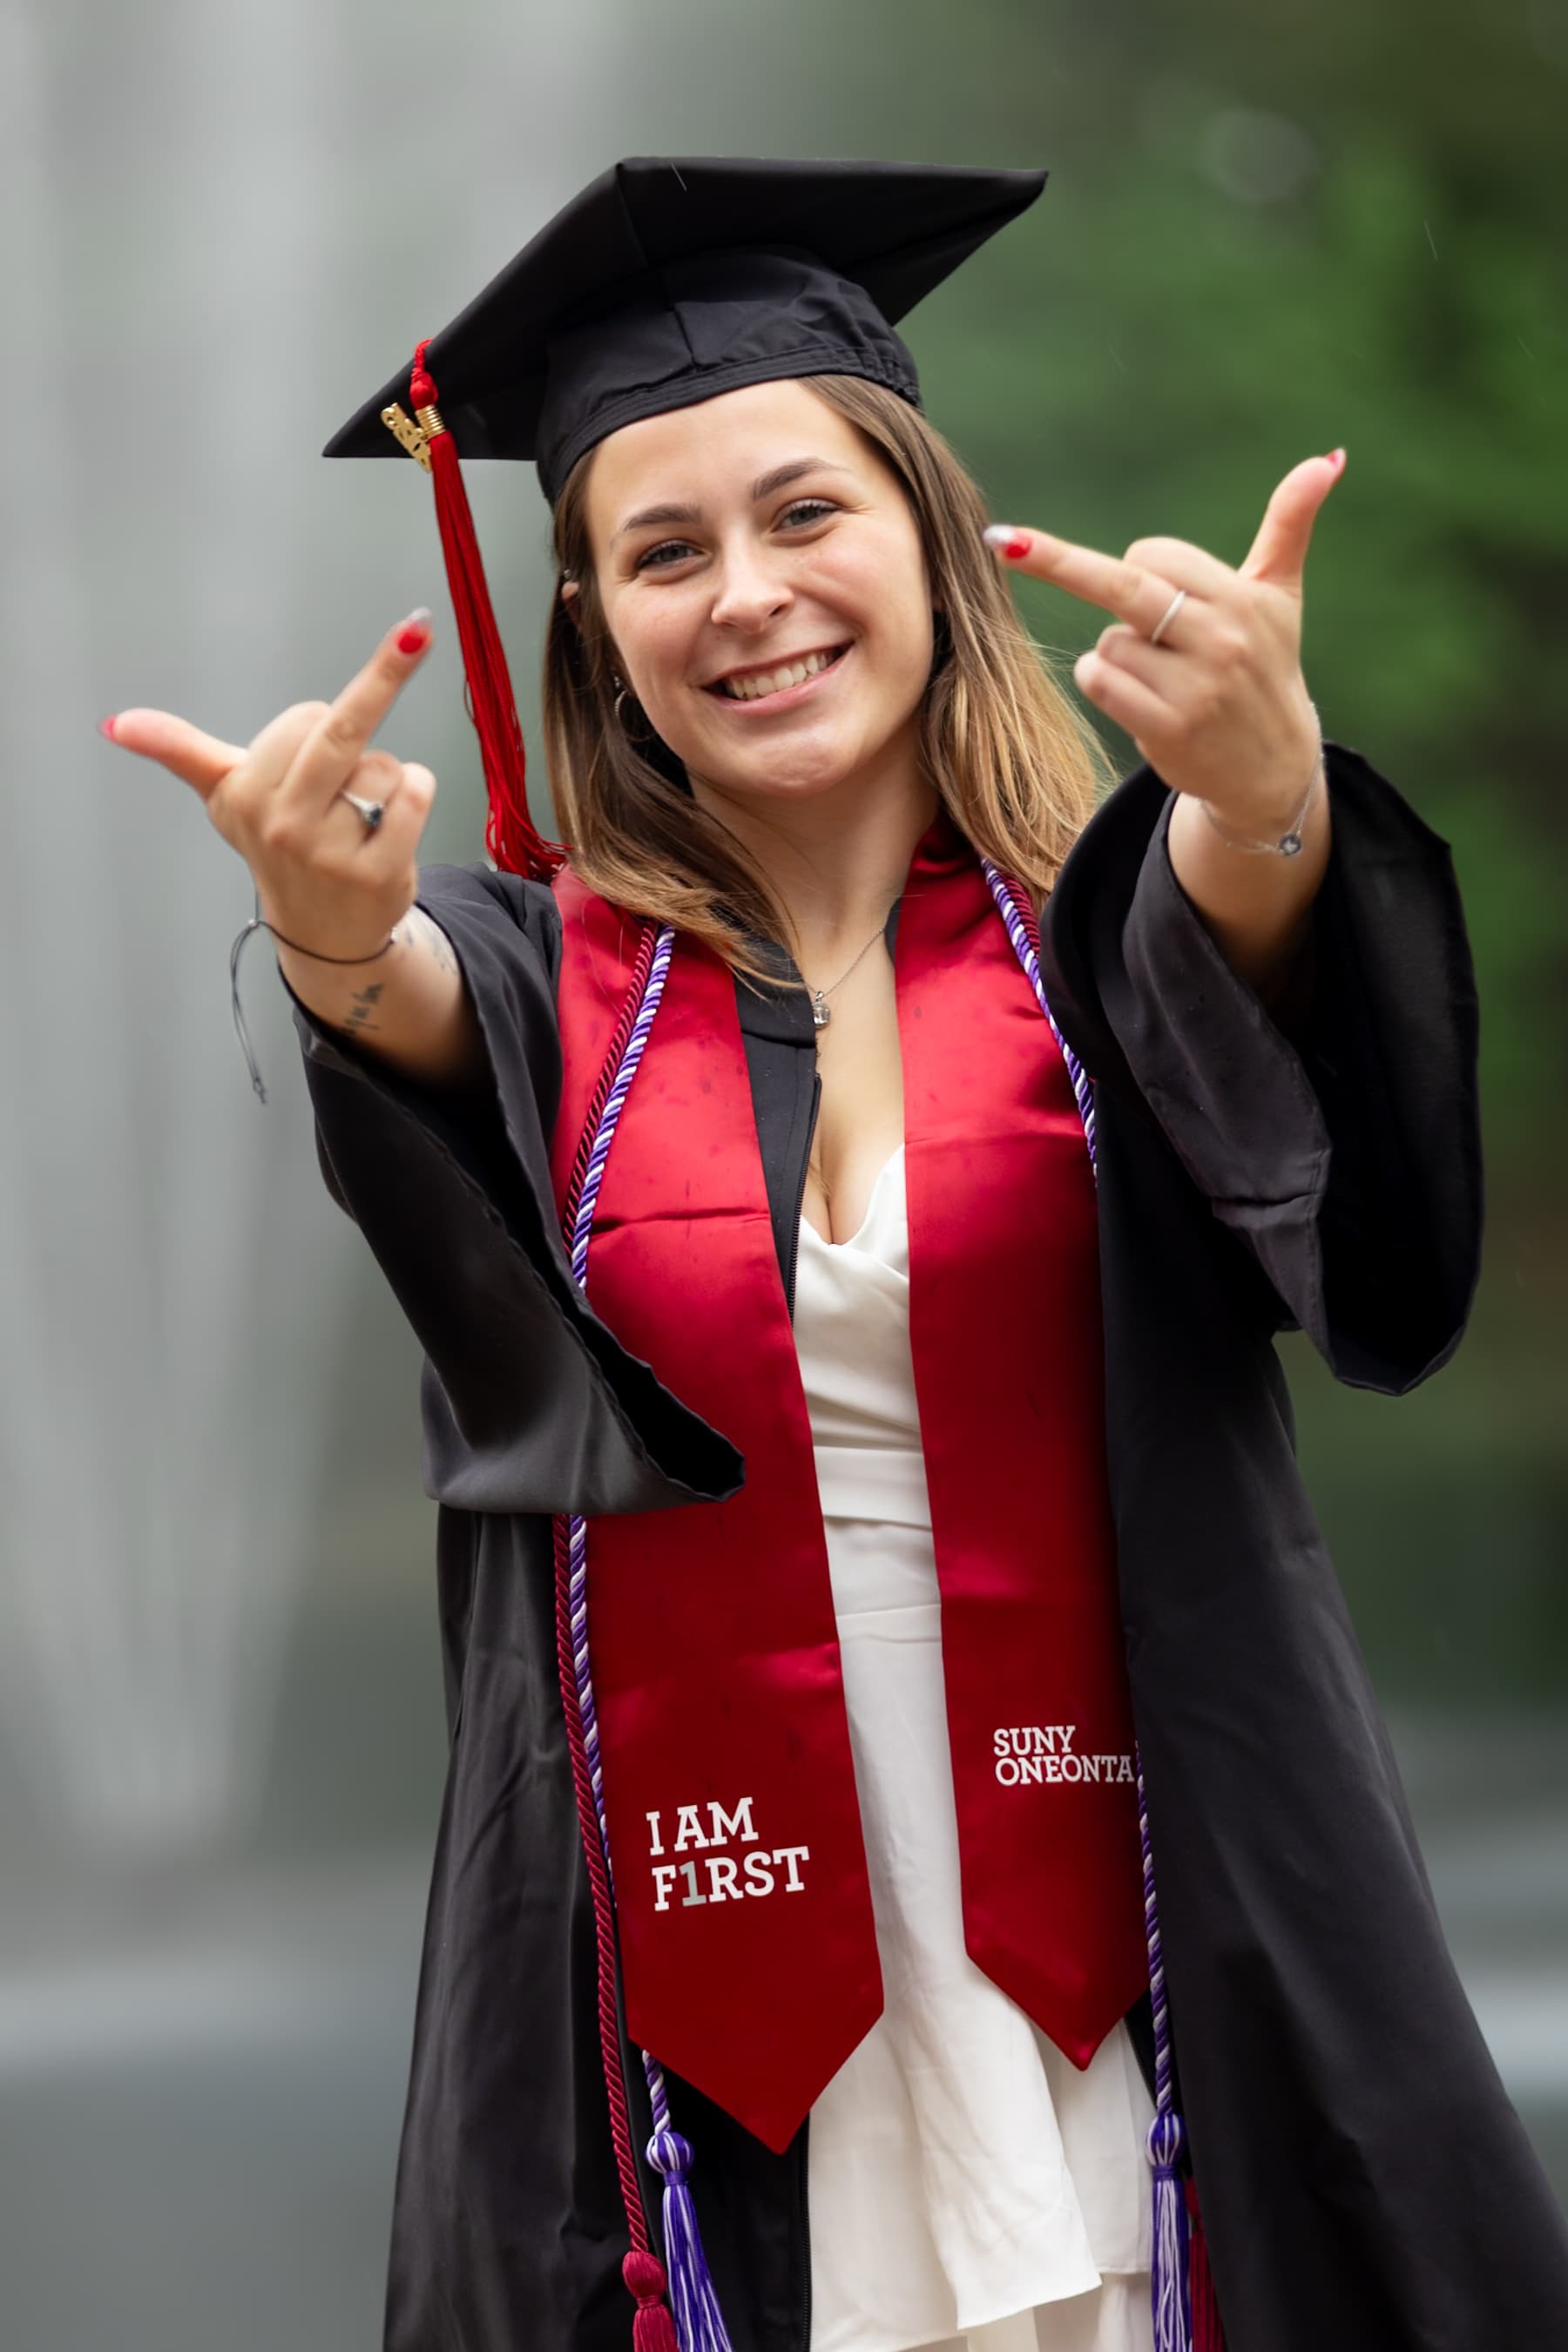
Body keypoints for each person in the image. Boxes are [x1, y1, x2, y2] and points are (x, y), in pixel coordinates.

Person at [103, 157, 1568, 2352]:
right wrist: (328, 935)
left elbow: (1256, 986)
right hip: (699, 1988)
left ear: (930, 537)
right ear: (591, 622)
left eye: (806, 514)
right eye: (662, 551)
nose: (748, 595)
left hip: (1141, 1927)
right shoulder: (557, 1002)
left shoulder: (1104, 950)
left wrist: (1270, 798)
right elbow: (412, 1015)